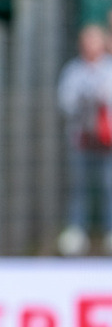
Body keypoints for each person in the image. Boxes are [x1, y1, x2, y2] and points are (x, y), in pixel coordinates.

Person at [56, 24, 112, 256]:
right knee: (79, 188)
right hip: (81, 141)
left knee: (109, 187)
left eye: (95, 40)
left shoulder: (109, 69)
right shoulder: (73, 70)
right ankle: (77, 232)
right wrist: (85, 99)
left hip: (108, 142)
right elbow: (65, 101)